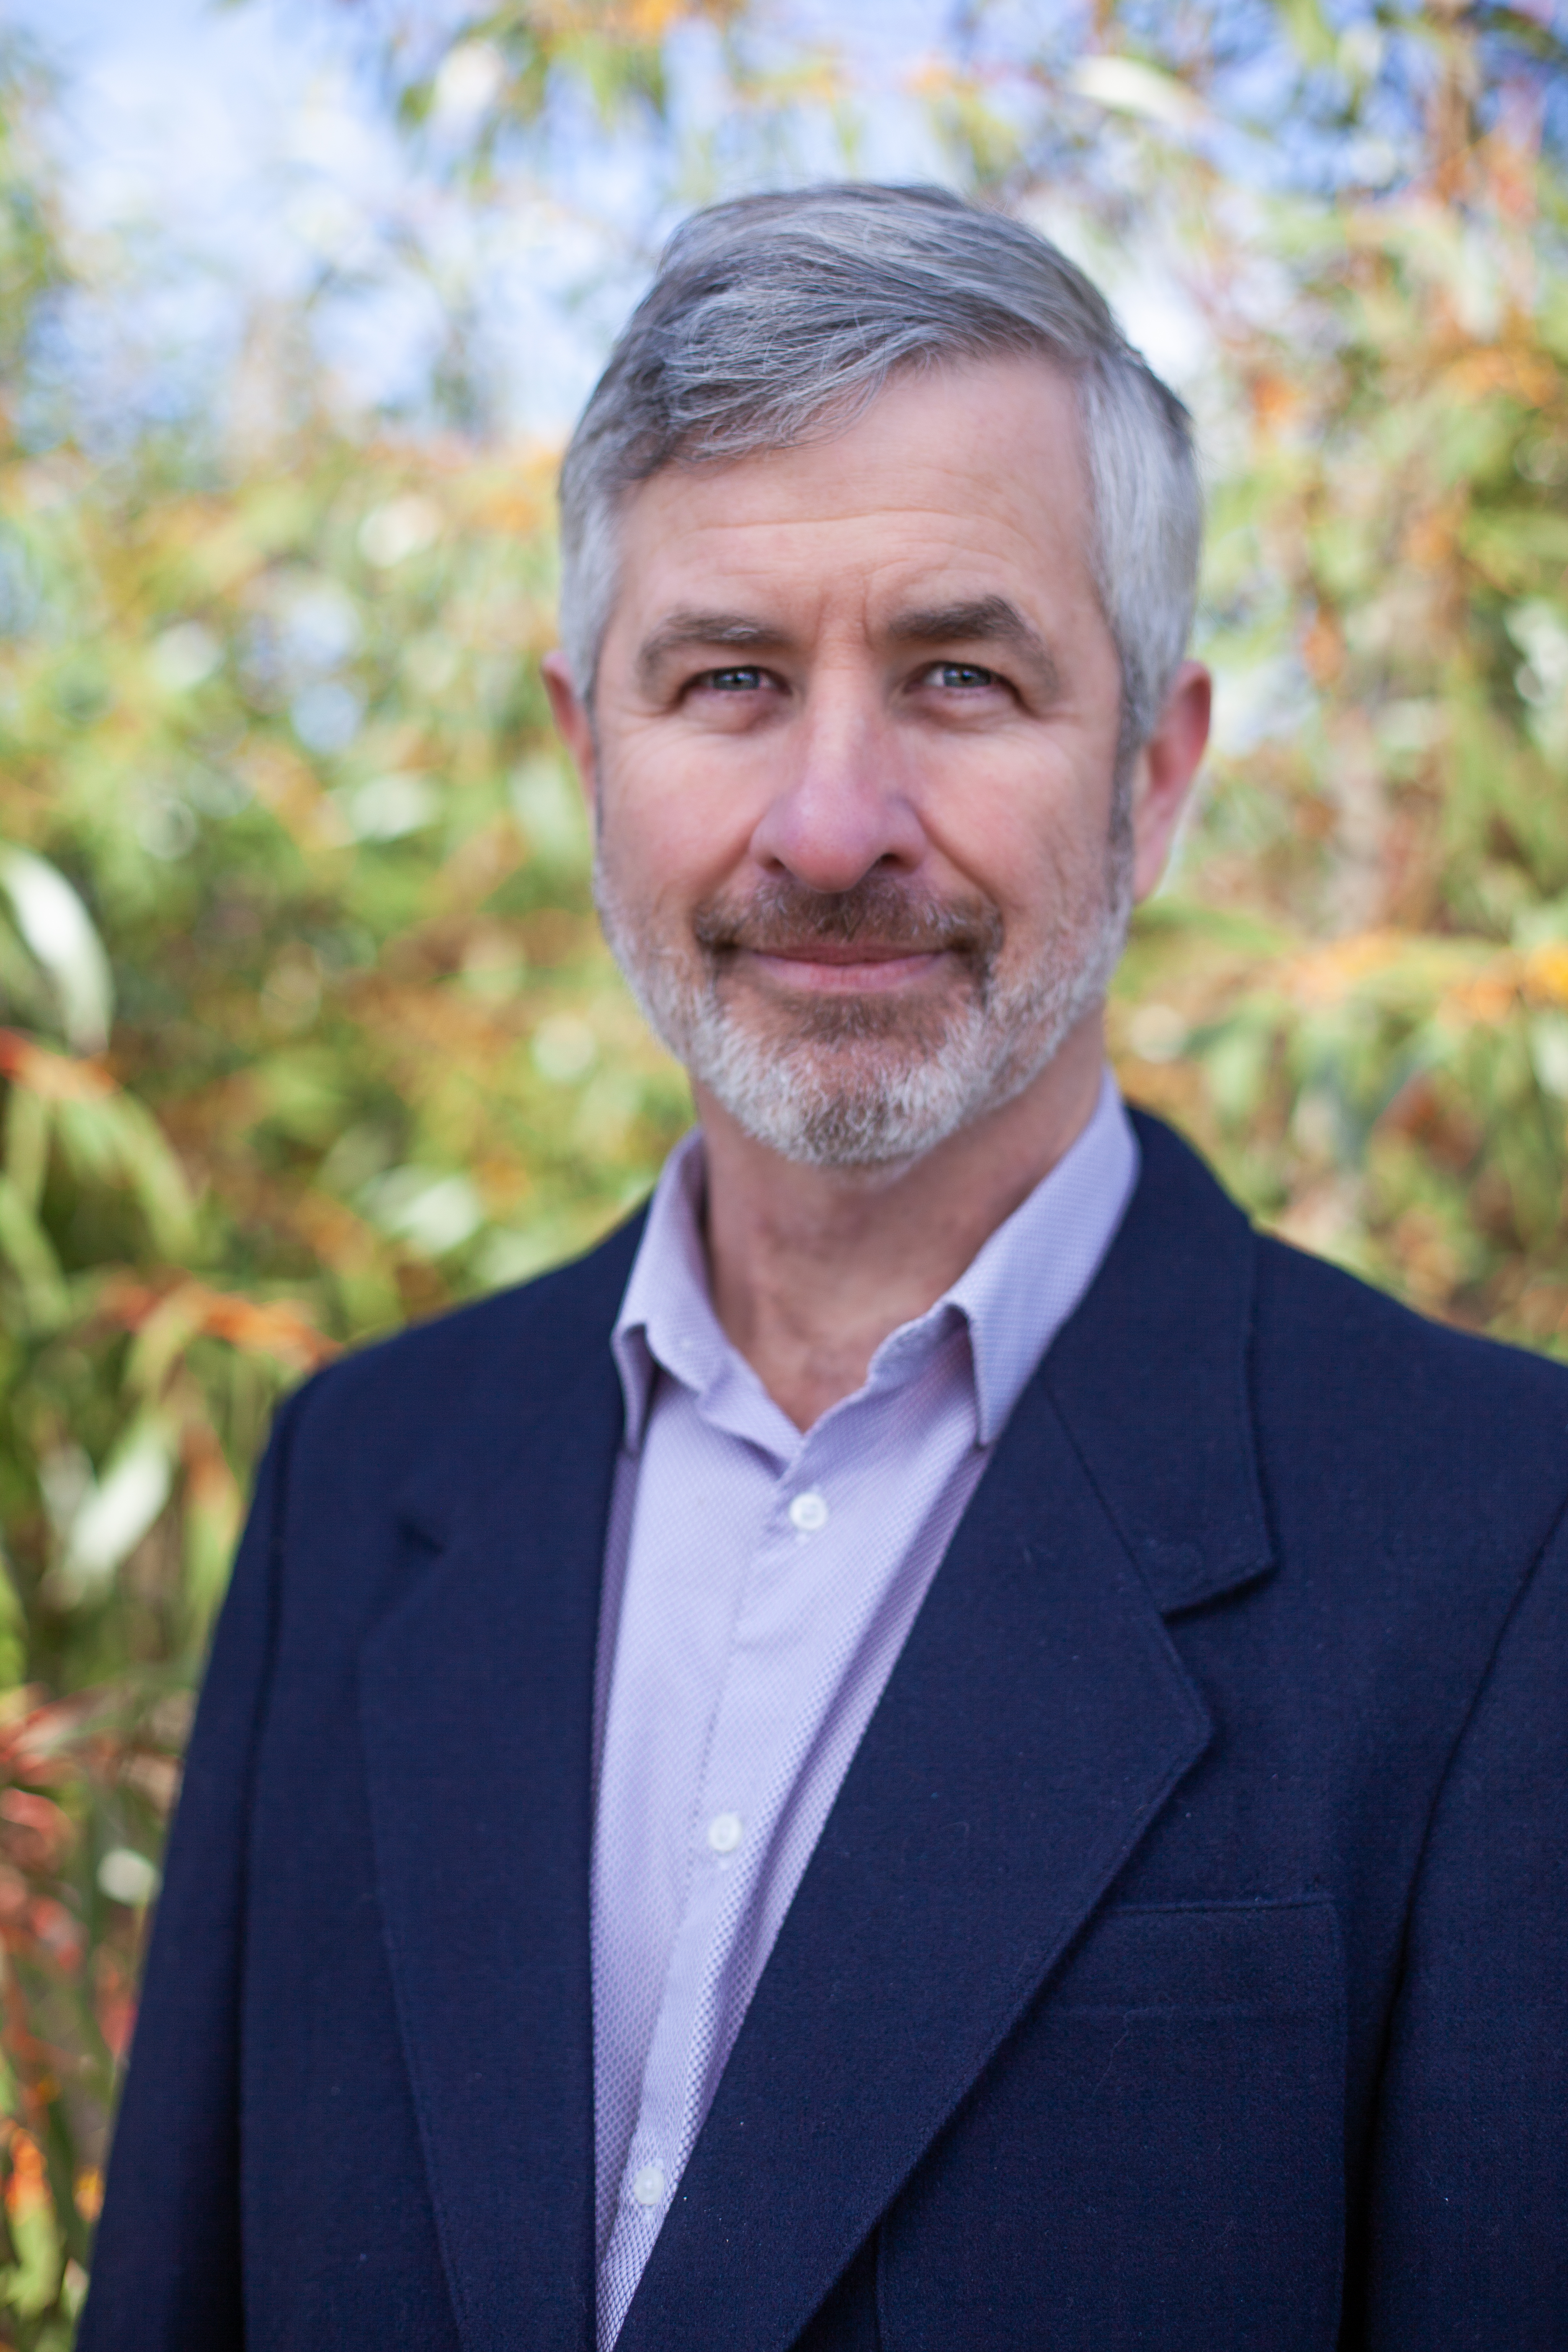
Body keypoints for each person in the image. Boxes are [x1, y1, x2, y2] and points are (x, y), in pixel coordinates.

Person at [80, 185, 1567, 2352]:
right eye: (730, 681)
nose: (832, 820)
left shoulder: (1503, 1540)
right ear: (593, 755)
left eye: (962, 674)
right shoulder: (357, 1483)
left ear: (1154, 780)